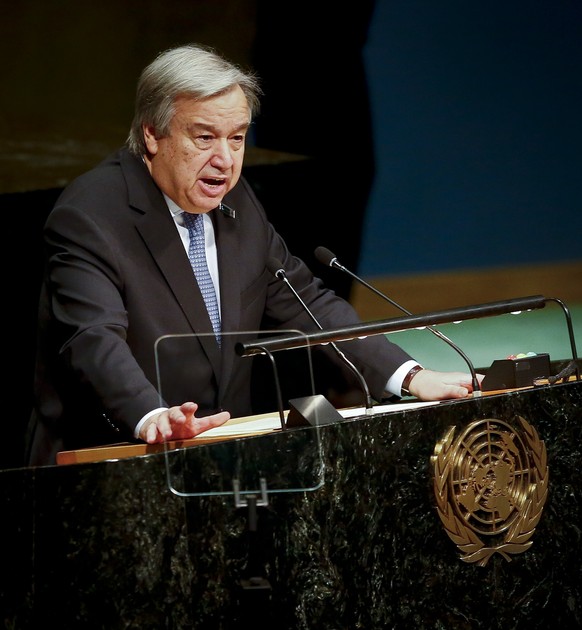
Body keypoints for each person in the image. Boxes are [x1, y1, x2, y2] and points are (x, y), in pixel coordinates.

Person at [25, 44, 481, 467]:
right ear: (152, 134)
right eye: (204, 137)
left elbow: (307, 304)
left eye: (237, 138)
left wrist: (409, 376)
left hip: (223, 461)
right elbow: (93, 338)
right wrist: (151, 415)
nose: (225, 160)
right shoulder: (91, 214)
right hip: (106, 468)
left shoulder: (237, 202)